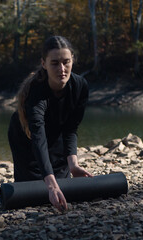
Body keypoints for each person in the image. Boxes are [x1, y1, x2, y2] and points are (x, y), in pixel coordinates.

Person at [8, 36, 93, 211]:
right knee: (36, 188)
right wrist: (51, 185)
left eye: (66, 62)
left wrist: (73, 165)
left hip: (56, 135)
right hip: (26, 138)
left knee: (61, 182)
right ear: (43, 64)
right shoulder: (36, 92)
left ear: (73, 61)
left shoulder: (80, 86)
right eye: (54, 63)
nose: (62, 69)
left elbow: (70, 128)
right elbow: (38, 138)